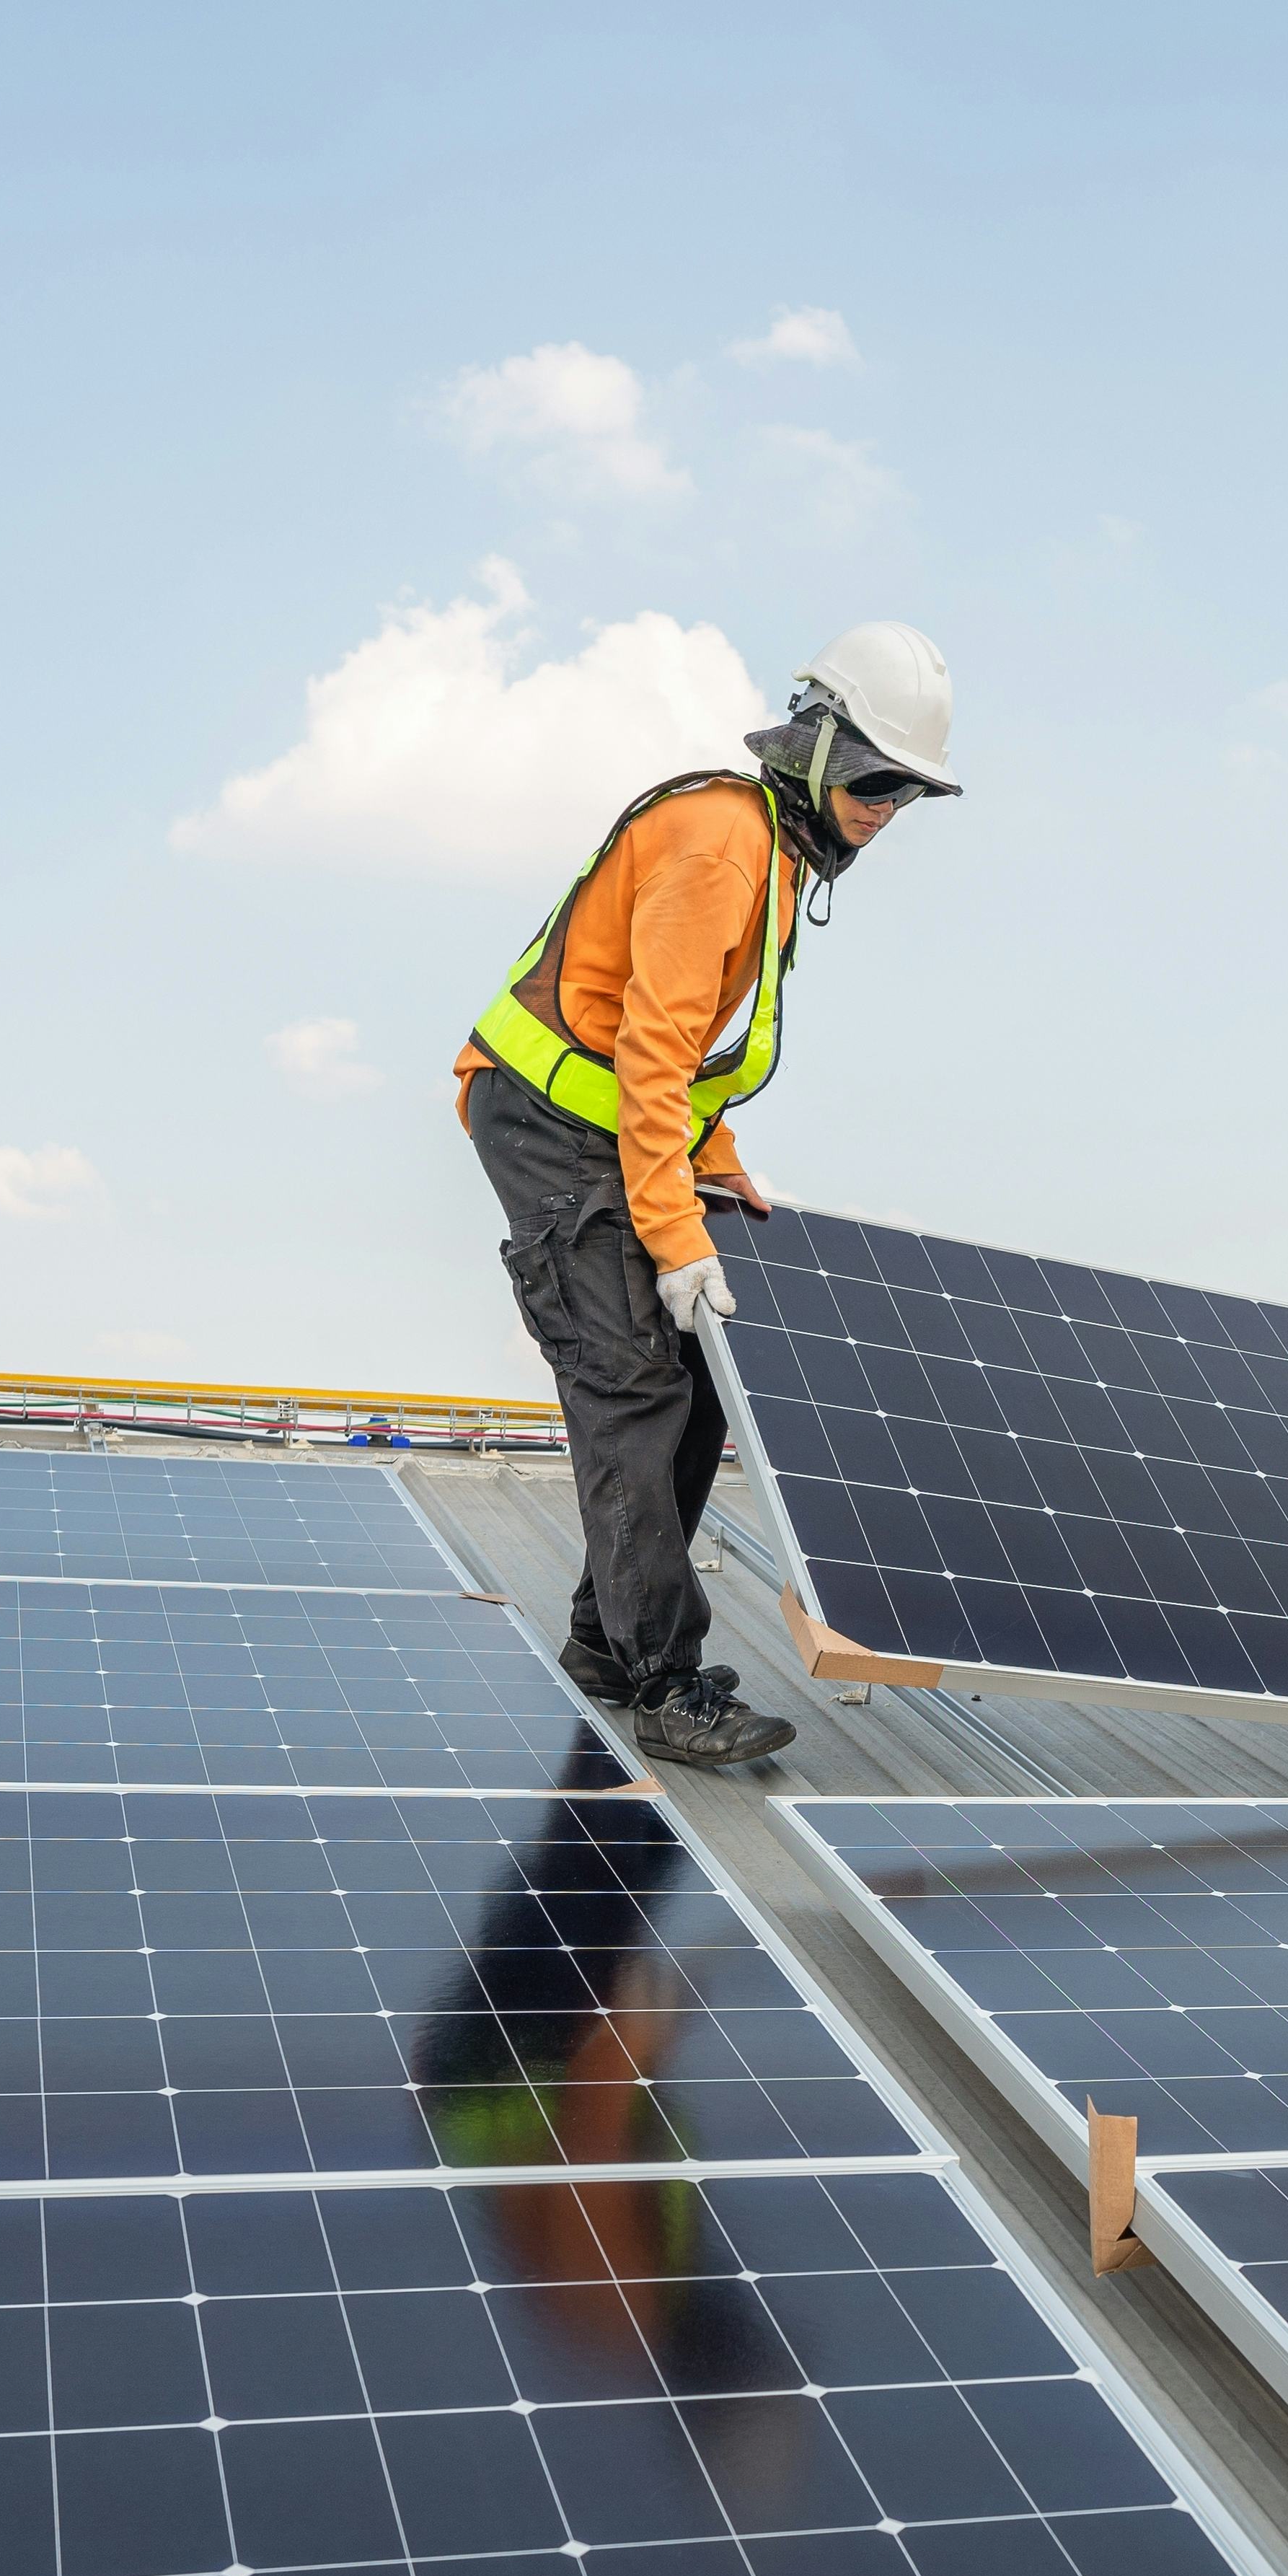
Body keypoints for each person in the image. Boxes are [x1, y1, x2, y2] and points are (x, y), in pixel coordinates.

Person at [452, 625, 961, 1768]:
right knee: (629, 1377)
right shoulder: (724, 848)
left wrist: (715, 1152)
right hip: (546, 1118)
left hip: (609, 1118)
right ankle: (663, 1679)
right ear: (814, 746)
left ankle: (604, 1634)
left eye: (904, 793)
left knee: (700, 1376)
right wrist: (677, 1232)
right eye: (872, 780)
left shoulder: (772, 852)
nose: (882, 810)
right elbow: (649, 1048)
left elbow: (683, 1057)